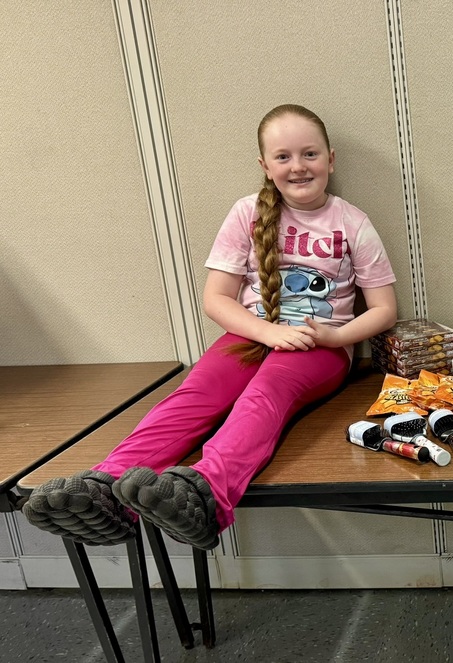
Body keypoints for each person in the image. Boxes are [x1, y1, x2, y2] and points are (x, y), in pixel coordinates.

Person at [23, 104, 398, 550]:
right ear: (265, 166)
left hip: (321, 345)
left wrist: (335, 337)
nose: (298, 166)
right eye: (283, 156)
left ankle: (205, 495)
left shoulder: (351, 221)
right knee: (197, 393)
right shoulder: (247, 213)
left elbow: (383, 310)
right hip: (250, 334)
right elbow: (216, 298)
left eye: (310, 154)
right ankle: (106, 489)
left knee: (266, 393)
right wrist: (267, 333)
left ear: (330, 160)